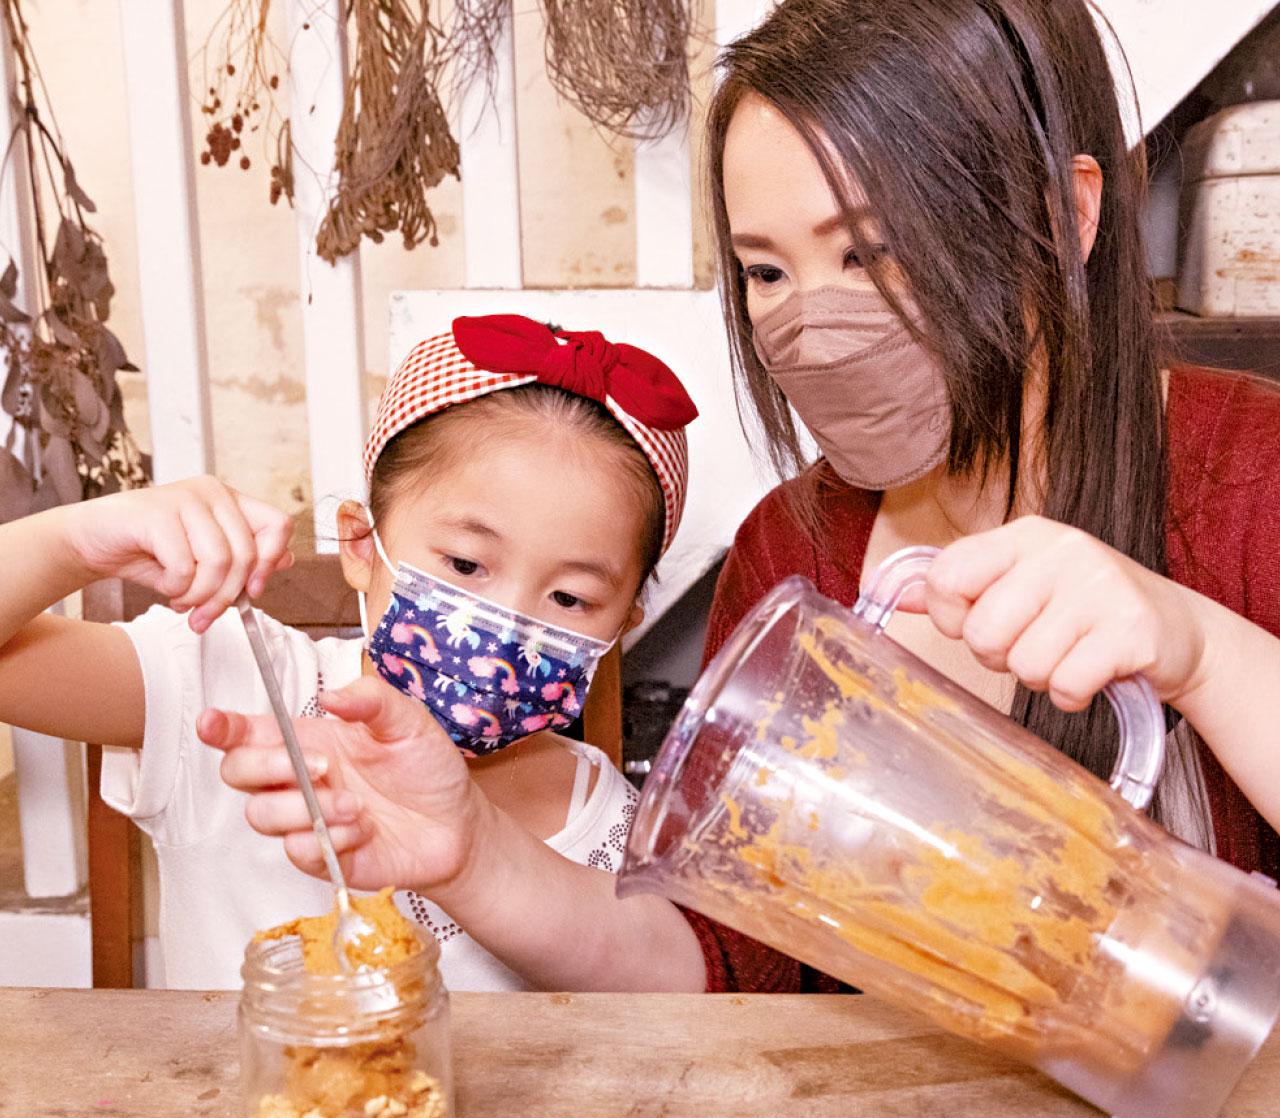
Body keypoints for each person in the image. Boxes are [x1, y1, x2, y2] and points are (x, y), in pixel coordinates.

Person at [205, 0, 1280, 995]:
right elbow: (718, 967)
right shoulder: (794, 558)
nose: (809, 321)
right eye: (764, 271)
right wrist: (470, 854)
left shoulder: (1250, 475)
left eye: (869, 251)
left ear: (1063, 216)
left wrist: (1195, 648)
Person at [0, 314, 703, 991]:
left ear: (625, 621)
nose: (507, 623)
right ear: (362, 547)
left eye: (570, 599)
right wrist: (74, 542)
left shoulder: (624, 840)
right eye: (464, 564)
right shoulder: (228, 687)